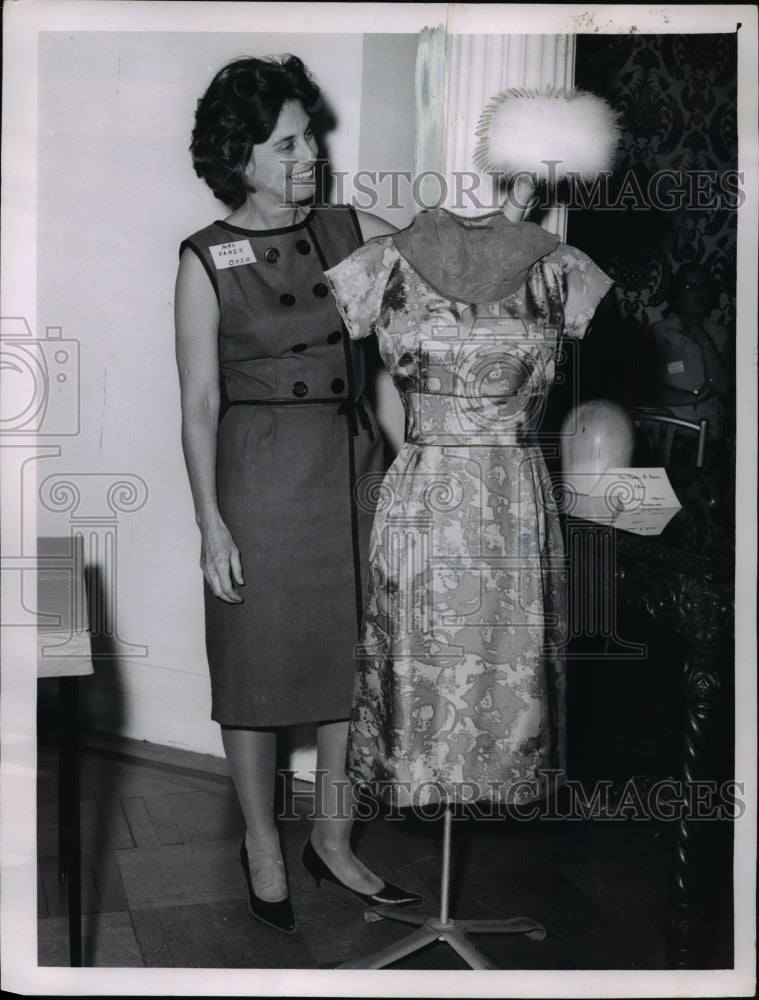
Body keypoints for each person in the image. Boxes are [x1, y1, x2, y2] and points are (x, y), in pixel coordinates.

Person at [174, 54, 420, 935]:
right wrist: (210, 522)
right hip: (260, 473)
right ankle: (262, 845)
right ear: (239, 155)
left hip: (351, 466)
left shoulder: (352, 228)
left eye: (309, 134)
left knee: (351, 660)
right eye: (286, 143)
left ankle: (333, 838)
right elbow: (199, 405)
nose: (308, 152)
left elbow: (439, 257)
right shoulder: (205, 259)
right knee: (256, 667)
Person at [632, 263, 733, 452]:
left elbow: (723, 387)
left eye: (703, 286)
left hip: (705, 430)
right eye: (690, 286)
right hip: (664, 426)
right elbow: (644, 389)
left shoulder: (721, 334)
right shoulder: (658, 332)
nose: (698, 292)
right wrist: (693, 398)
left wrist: (704, 340)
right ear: (678, 295)